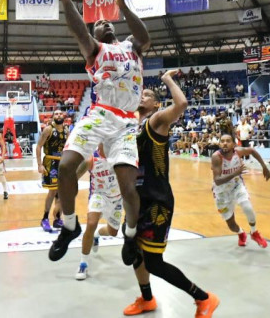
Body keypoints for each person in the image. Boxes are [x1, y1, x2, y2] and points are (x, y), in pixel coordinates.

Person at [49, 0, 150, 265]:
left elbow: (145, 36)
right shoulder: (96, 50)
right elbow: (78, 30)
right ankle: (70, 226)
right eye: (97, 24)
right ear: (93, 36)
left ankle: (130, 235)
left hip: (127, 122)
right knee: (65, 167)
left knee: (128, 187)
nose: (103, 22)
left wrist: (123, 4)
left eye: (107, 21)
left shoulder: (131, 46)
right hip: (100, 114)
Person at [124, 70, 219, 317]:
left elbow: (182, 104)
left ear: (156, 104)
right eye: (140, 93)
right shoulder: (130, 127)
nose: (142, 96)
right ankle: (147, 299)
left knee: (154, 263)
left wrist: (167, 79)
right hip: (137, 200)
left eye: (147, 95)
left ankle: (204, 298)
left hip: (157, 201)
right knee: (135, 253)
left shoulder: (156, 121)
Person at [211, 133, 270, 247]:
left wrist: (264, 166)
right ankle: (240, 233)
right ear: (219, 144)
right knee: (231, 225)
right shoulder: (216, 157)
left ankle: (254, 232)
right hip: (221, 192)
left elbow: (252, 151)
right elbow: (217, 180)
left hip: (236, 186)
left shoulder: (238, 152)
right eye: (222, 141)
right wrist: (235, 173)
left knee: (248, 207)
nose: (225, 143)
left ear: (234, 144)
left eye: (228, 141)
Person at [77, 144, 122, 281]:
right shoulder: (91, 159)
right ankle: (83, 263)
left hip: (116, 199)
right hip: (98, 195)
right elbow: (74, 177)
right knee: (91, 223)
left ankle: (97, 234)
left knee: (113, 232)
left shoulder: (120, 156)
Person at [36, 110, 67, 231]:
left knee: (61, 193)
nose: (59, 115)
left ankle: (57, 219)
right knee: (52, 191)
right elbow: (39, 146)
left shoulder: (66, 130)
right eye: (56, 114)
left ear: (63, 116)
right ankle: (44, 218)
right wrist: (40, 165)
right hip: (50, 162)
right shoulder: (48, 129)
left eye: (60, 114)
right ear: (53, 117)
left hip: (63, 162)